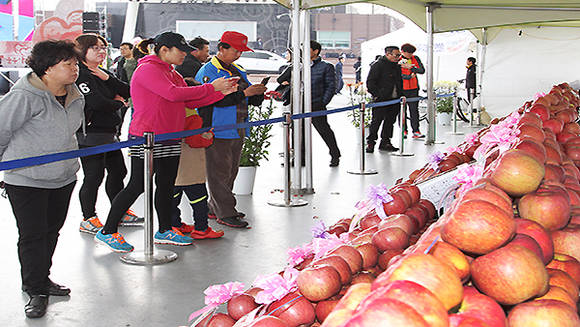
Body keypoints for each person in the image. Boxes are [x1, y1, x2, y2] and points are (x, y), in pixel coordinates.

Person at [96, 32, 236, 252]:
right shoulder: (148, 69)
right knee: (137, 185)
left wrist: (220, 92)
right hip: (147, 138)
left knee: (166, 185)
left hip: (170, 136)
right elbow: (172, 94)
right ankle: (107, 230)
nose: (185, 54)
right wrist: (212, 88)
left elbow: (188, 97)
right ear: (164, 50)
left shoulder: (171, 71)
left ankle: (164, 229)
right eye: (181, 50)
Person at [0, 40, 84, 318]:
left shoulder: (75, 94)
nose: (75, 69)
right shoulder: (24, 96)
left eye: (75, 63)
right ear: (47, 69)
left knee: (51, 232)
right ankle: (35, 289)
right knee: (33, 235)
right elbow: (1, 130)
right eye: (68, 64)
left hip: (63, 177)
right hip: (26, 179)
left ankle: (41, 277)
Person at [196, 31, 266, 228]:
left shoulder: (237, 69)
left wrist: (257, 93)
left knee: (230, 170)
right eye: (236, 51)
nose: (238, 55)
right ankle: (226, 212)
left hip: (238, 126)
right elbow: (211, 100)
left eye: (241, 52)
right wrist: (245, 93)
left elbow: (246, 95)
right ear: (222, 49)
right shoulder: (208, 72)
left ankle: (215, 207)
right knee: (219, 172)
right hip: (218, 128)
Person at [74, 34, 140, 236]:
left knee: (119, 172)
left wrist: (108, 79)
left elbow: (127, 90)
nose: (101, 51)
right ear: (82, 51)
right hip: (90, 133)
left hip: (110, 133)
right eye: (95, 48)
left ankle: (118, 211)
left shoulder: (102, 72)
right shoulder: (80, 74)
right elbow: (96, 102)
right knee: (93, 176)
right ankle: (88, 217)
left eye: (103, 47)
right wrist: (118, 103)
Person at [171, 108, 224, 239]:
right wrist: (209, 136)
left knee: (172, 199)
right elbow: (195, 141)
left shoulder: (171, 113)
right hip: (191, 169)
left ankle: (174, 225)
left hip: (173, 167)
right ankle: (201, 229)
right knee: (199, 200)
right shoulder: (192, 116)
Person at [365, 45, 404, 153]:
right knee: (376, 121)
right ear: (388, 54)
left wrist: (401, 94)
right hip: (381, 100)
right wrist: (378, 95)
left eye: (399, 55)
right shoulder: (378, 65)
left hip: (395, 99)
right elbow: (371, 82)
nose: (398, 57)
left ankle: (386, 142)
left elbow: (399, 81)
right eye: (396, 55)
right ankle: (371, 142)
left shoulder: (396, 66)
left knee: (390, 122)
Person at [310, 40, 341, 166]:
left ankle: (335, 154)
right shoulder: (300, 65)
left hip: (317, 104)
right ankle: (300, 157)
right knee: (298, 133)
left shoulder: (326, 66)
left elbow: (331, 86)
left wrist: (322, 102)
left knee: (324, 130)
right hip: (300, 105)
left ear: (316, 51)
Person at [400, 43, 425, 139]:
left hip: (414, 88)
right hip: (402, 89)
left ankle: (416, 131)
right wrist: (408, 77)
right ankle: (404, 131)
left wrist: (411, 67)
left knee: (414, 110)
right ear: (403, 51)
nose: (410, 55)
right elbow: (397, 73)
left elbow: (422, 70)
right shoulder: (398, 60)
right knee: (402, 111)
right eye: (408, 53)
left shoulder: (416, 58)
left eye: (412, 53)